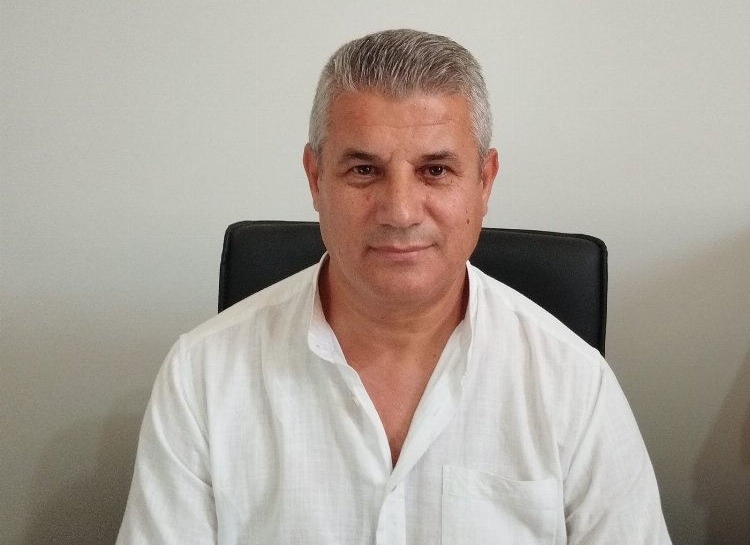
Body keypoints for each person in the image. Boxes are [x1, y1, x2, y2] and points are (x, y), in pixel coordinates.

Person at [117, 29, 671, 544]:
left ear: (485, 181)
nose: (401, 212)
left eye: (436, 170)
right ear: (315, 178)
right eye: (364, 170)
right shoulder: (202, 376)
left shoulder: (575, 385)